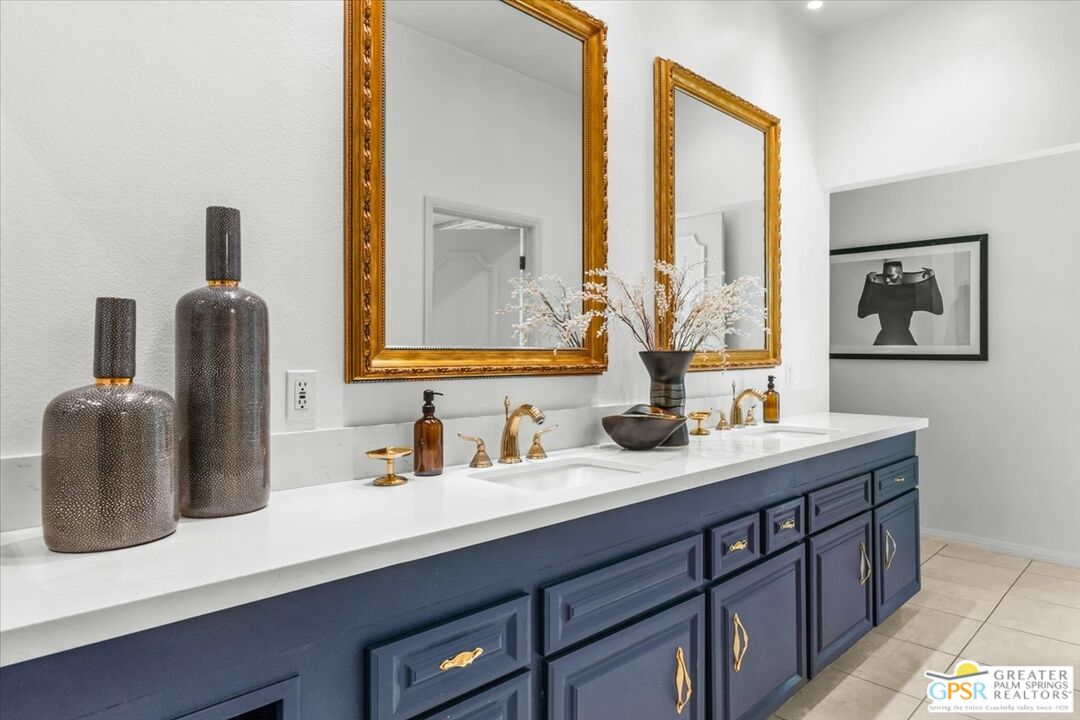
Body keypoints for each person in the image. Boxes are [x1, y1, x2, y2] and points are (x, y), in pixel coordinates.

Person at [857, 260, 943, 345]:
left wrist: (932, 279)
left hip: (904, 340)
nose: (886, 279)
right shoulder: (880, 293)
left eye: (890, 276)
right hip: (884, 341)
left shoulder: (910, 293)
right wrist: (868, 284)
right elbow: (861, 313)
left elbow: (938, 309)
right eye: (884, 276)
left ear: (900, 275)